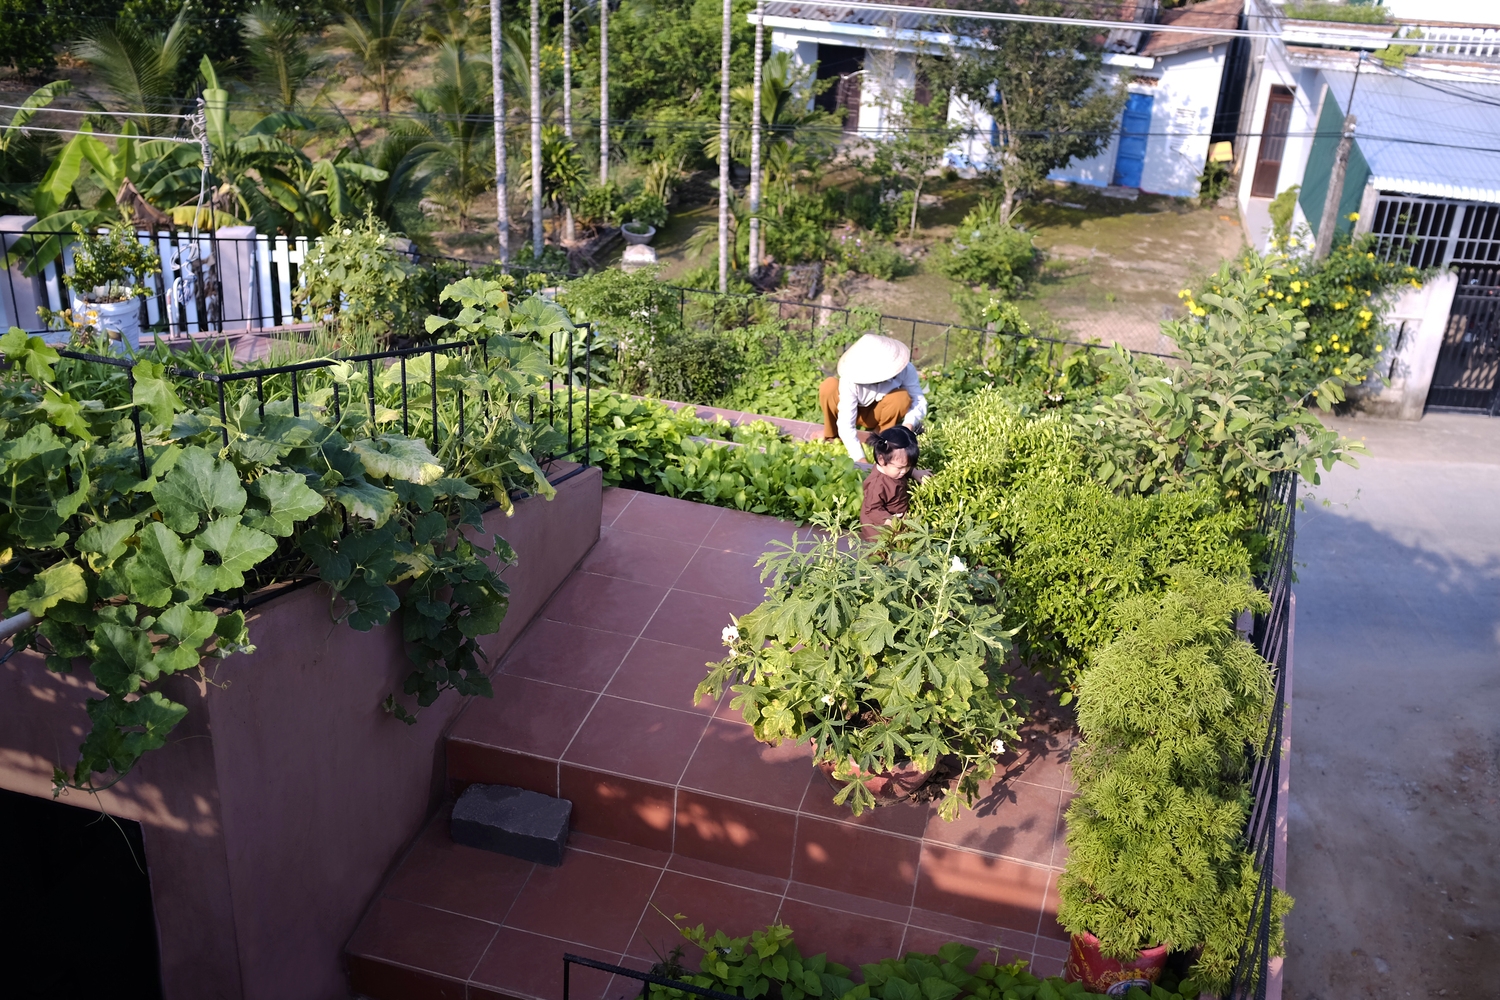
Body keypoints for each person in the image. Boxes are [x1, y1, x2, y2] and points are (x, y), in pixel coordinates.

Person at [820, 333, 927, 464]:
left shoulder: (905, 369)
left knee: (901, 398)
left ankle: (882, 441)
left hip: (879, 413)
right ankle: (832, 436)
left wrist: (908, 425)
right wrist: (860, 459)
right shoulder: (850, 379)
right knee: (829, 386)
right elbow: (846, 423)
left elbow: (919, 400)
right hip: (855, 411)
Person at [860, 426, 919, 542]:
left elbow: (903, 468)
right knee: (884, 546)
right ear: (881, 460)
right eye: (900, 467)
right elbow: (872, 510)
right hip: (877, 526)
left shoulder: (893, 470)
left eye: (908, 467)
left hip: (896, 515)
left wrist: (915, 472)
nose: (904, 471)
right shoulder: (877, 485)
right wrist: (888, 520)